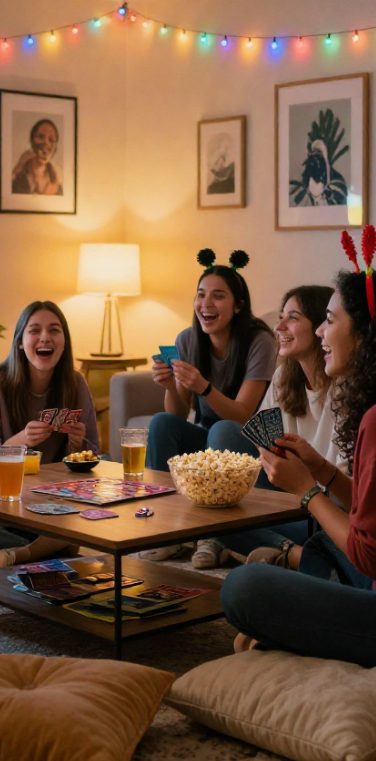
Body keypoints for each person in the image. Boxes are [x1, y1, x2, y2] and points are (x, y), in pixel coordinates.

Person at [221, 227, 376, 667]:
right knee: (321, 550)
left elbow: (367, 552)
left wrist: (308, 491)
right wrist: (324, 473)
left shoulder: (371, 417)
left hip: (369, 579)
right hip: (359, 563)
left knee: (243, 588)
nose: (324, 331)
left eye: (330, 320)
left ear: (363, 334)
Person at [0, 300, 99, 570]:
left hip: (48, 504)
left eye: (54, 330)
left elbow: (92, 461)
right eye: (35, 330)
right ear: (20, 342)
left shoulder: (75, 383)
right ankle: (47, 550)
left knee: (92, 510)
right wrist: (20, 441)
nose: (45, 337)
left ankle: (3, 554)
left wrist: (76, 444)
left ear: (64, 342)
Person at [143, 249, 276, 568]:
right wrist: (170, 386)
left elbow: (244, 413)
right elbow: (177, 415)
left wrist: (204, 386)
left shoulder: (260, 342)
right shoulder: (187, 340)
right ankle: (165, 530)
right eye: (201, 295)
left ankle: (214, 536)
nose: (206, 304)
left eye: (218, 296)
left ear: (238, 305)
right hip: (206, 441)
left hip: (250, 444)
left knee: (224, 428)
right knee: (161, 422)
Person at [214, 285, 348, 568]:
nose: (279, 326)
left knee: (224, 526)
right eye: (282, 316)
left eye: (293, 317)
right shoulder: (283, 376)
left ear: (321, 326)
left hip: (327, 510)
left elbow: (344, 499)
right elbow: (264, 443)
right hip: (287, 495)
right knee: (223, 435)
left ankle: (294, 555)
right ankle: (293, 553)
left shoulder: (347, 389)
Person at [11, 119, 63, 195]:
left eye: (51, 140)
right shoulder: (20, 177)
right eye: (41, 137)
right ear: (32, 141)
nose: (46, 143)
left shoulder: (56, 180)